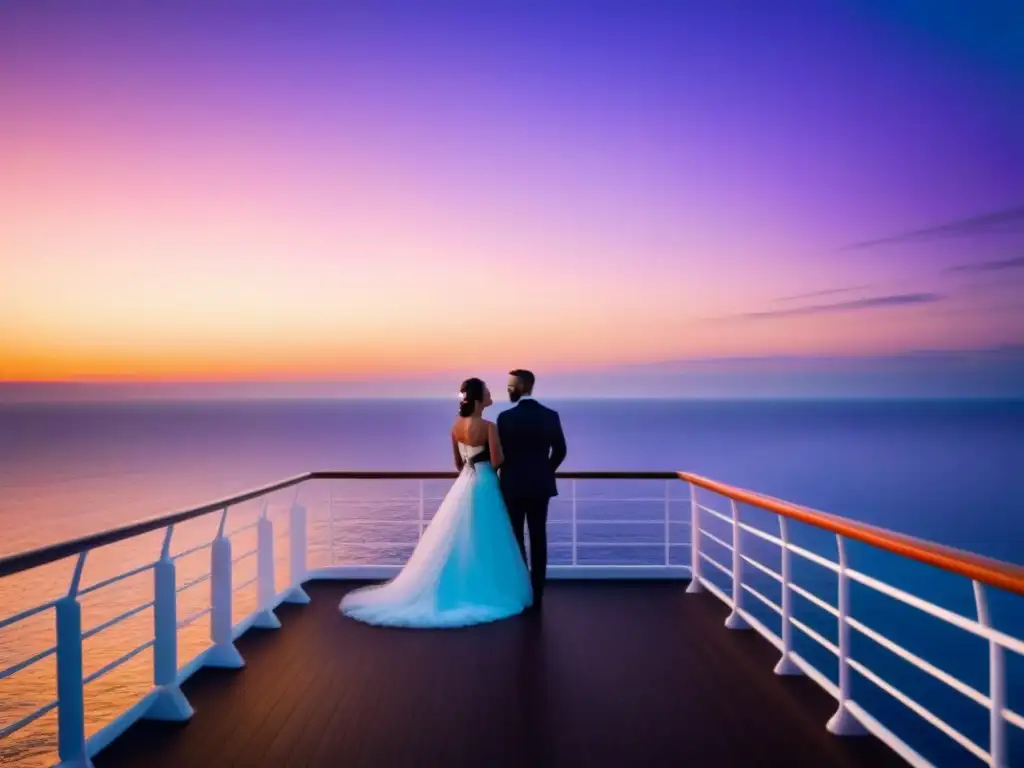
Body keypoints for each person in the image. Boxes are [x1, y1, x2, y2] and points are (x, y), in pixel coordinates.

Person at [340, 378, 532, 628]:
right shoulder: (489, 427)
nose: (490, 394)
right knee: (485, 537)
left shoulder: (456, 427)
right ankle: (482, 586)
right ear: (477, 399)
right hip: (485, 481)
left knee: (459, 537)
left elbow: (457, 463)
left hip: (464, 482)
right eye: (486, 392)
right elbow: (496, 461)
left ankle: (458, 586)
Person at [497, 369, 567, 611]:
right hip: (540, 485)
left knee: (516, 538)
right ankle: (538, 592)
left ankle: (521, 588)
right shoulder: (550, 416)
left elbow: (499, 456)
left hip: (512, 486)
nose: (507, 390)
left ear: (522, 386)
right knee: (539, 537)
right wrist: (546, 470)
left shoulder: (505, 418)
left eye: (510, 386)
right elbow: (561, 450)